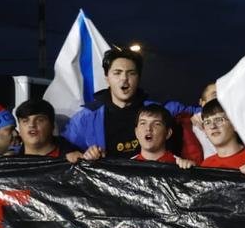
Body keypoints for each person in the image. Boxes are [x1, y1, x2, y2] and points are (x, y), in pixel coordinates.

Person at [64, 48, 198, 159]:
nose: (124, 79)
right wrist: (74, 154)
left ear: (138, 78)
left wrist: (200, 117)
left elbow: (203, 112)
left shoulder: (158, 110)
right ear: (107, 79)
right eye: (117, 73)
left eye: (131, 73)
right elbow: (61, 146)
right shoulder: (87, 117)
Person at [198, 99, 245, 173]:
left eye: (219, 120)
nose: (212, 126)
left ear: (235, 125)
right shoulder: (206, 165)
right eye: (207, 122)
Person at [15, 99, 83, 160]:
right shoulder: (12, 164)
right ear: (19, 129)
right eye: (25, 121)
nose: (32, 125)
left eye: (40, 120)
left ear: (52, 126)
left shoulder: (77, 159)